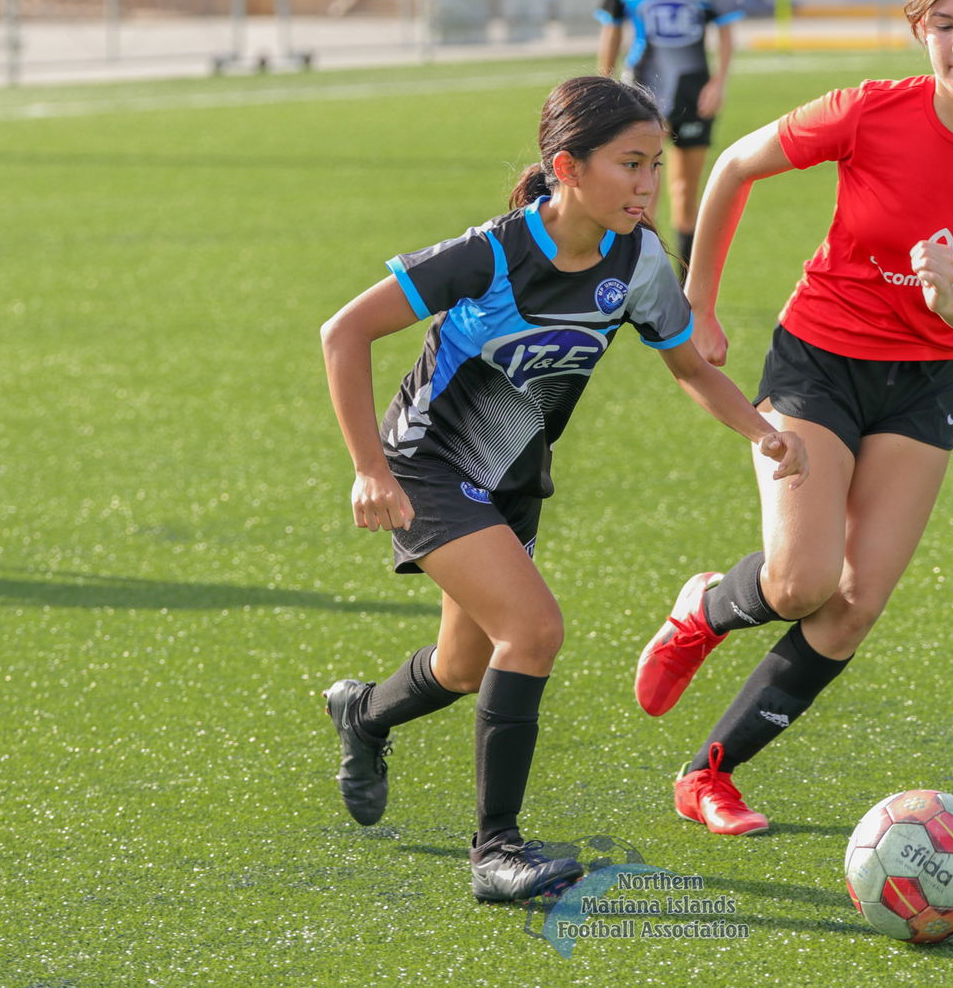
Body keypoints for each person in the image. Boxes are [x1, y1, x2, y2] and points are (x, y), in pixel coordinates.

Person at [632, 0, 953, 835]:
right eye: (945, 25)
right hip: (820, 359)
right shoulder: (869, 111)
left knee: (854, 605)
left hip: (923, 383)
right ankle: (707, 609)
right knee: (800, 584)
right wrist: (698, 302)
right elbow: (733, 167)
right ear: (921, 31)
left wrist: (952, 298)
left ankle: (709, 772)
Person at [318, 76, 807, 900]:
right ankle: (495, 852)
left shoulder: (640, 259)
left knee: (463, 665)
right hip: (430, 465)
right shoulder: (494, 253)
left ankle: (362, 715)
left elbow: (689, 365)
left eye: (654, 165)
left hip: (509, 480)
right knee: (535, 629)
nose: (649, 185)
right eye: (630, 165)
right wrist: (369, 467)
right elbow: (345, 332)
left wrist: (759, 427)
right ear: (566, 168)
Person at [596, 0, 743, 278]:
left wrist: (718, 83)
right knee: (643, 190)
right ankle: (643, 275)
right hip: (643, 95)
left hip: (694, 91)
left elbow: (725, 28)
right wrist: (604, 87)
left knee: (685, 190)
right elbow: (611, 33)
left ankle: (686, 283)